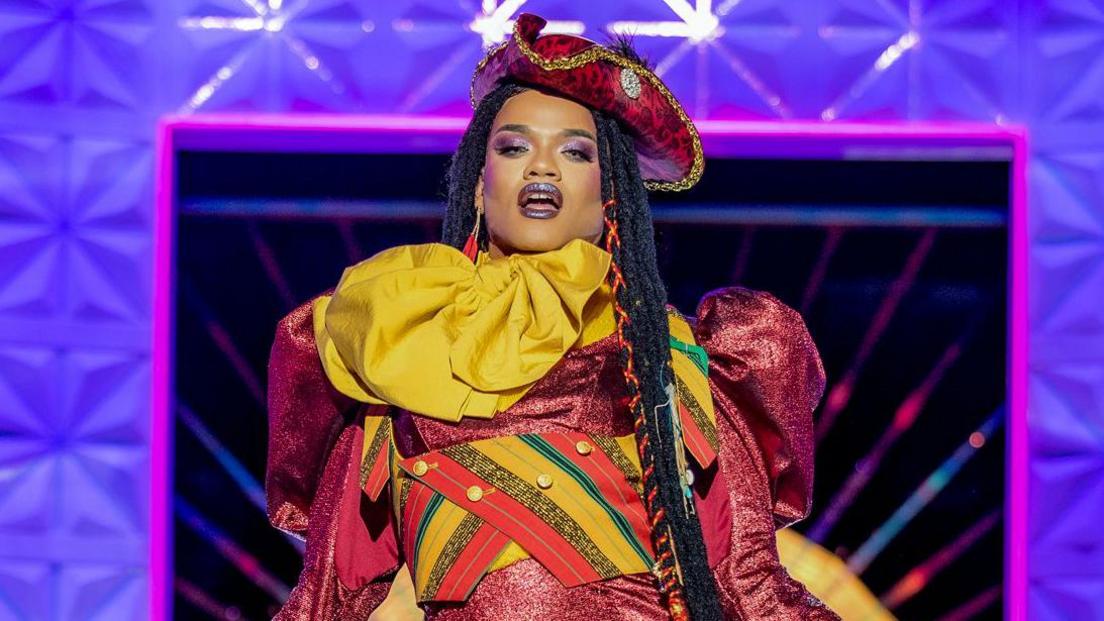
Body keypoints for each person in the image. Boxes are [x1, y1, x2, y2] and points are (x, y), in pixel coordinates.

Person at [265, 14, 840, 621]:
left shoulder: (678, 366)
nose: (542, 168)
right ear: (479, 185)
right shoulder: (401, 348)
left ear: (610, 194)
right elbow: (324, 601)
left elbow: (751, 586)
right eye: (514, 147)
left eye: (575, 152)